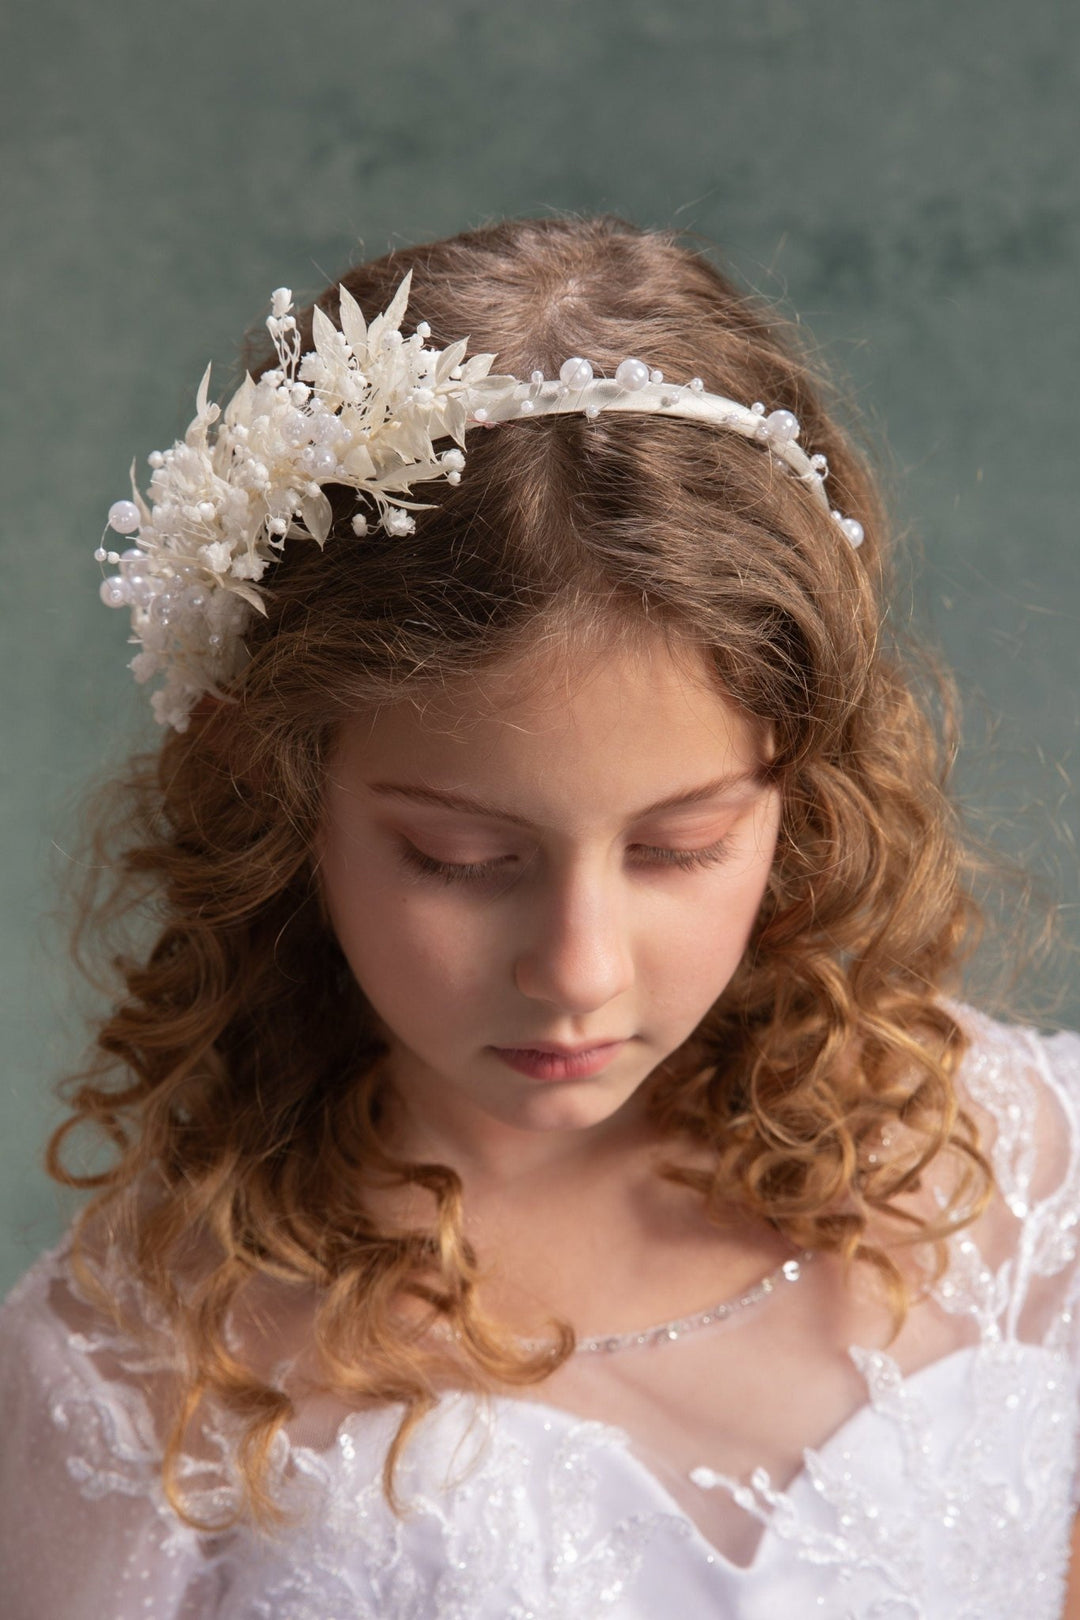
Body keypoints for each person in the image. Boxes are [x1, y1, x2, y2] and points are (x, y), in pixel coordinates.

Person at [1, 212, 1077, 1619]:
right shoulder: (149, 1360)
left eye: (682, 846)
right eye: (457, 858)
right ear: (273, 791)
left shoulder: (1021, 1179)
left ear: (804, 793)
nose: (578, 970)